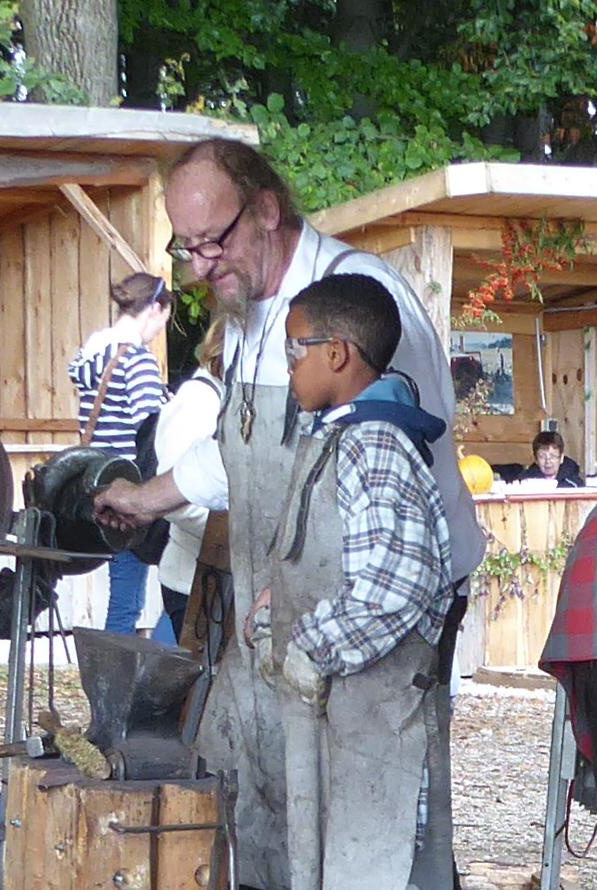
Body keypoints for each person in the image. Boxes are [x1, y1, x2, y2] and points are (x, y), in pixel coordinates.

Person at [93, 138, 483, 888]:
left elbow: (401, 501)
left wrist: (328, 629)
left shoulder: (358, 299)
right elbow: (237, 452)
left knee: (377, 840)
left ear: (266, 209)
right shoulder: (248, 317)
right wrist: (144, 498)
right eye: (187, 247)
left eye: (215, 240)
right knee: (282, 833)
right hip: (292, 620)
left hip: (376, 632)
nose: (201, 264)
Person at [256, 274, 457, 887]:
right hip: (347, 727)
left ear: (336, 353)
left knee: (385, 868)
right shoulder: (341, 437)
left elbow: (395, 585)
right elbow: (333, 562)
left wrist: (314, 647)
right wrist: (274, 613)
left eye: (295, 349)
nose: (289, 365)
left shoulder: (376, 446)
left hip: (382, 728)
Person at [68, 272, 171, 636]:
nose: (160, 331)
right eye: (163, 321)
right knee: (141, 599)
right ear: (156, 309)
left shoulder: (92, 356)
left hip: (98, 484)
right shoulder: (137, 360)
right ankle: (118, 686)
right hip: (131, 489)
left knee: (122, 599)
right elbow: (151, 429)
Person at [149, 313, 226, 643]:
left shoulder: (224, 399)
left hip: (218, 577)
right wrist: (236, 538)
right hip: (192, 580)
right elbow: (177, 501)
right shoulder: (198, 401)